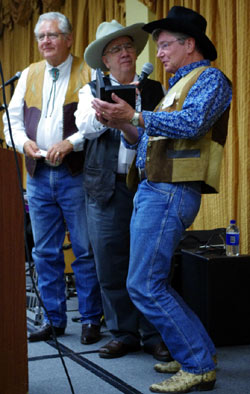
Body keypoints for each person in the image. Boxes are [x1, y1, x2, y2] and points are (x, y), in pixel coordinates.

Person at [91, 6, 232, 393]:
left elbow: (192, 123)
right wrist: (123, 123)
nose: (160, 54)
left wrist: (137, 118)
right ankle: (198, 350)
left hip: (171, 191)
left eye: (166, 45)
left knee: (144, 285)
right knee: (150, 282)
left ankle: (198, 363)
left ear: (190, 45)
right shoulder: (177, 84)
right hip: (155, 189)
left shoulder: (211, 79)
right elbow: (150, 142)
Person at [3, 12, 103, 345]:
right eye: (41, 36)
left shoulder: (87, 71)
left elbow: (96, 122)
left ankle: (90, 319)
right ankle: (53, 319)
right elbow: (11, 122)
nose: (46, 41)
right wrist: (24, 144)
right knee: (44, 253)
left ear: (69, 39)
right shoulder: (30, 73)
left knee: (85, 251)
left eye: (53, 35)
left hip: (76, 174)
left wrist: (70, 143)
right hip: (39, 175)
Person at [74, 20, 171, 361]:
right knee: (110, 263)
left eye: (129, 46)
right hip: (105, 188)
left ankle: (153, 334)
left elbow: (165, 133)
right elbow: (83, 127)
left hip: (150, 186)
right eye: (116, 49)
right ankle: (122, 333)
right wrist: (110, 115)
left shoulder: (157, 89)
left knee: (149, 264)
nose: (126, 53)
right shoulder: (90, 90)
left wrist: (136, 111)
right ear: (105, 60)